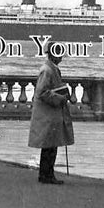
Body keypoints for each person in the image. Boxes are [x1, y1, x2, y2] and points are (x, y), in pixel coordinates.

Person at [28, 42, 74, 185]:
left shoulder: (51, 69)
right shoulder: (47, 70)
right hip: (48, 114)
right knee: (50, 146)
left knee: (50, 145)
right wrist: (60, 98)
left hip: (50, 114)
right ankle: (47, 175)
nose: (61, 58)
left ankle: (47, 174)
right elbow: (42, 92)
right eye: (59, 54)